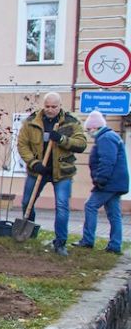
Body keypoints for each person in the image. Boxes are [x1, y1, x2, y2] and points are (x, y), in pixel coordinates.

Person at [16, 92, 87, 256]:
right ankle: (29, 233)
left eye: (53, 107)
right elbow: (22, 145)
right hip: (38, 171)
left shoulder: (71, 122)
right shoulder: (32, 121)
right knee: (27, 202)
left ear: (60, 106)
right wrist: (34, 163)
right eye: (47, 106)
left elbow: (81, 143)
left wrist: (62, 139)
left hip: (62, 172)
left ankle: (60, 242)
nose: (50, 110)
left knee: (62, 207)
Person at [73, 111, 127, 254]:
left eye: (89, 129)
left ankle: (87, 240)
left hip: (108, 183)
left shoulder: (106, 138)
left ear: (95, 127)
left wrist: (100, 180)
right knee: (114, 214)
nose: (88, 132)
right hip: (116, 183)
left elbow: (107, 161)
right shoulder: (110, 136)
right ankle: (115, 246)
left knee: (90, 206)